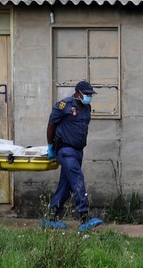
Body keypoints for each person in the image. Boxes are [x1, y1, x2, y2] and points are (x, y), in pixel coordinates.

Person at [42, 80, 105, 232]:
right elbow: (51, 125)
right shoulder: (65, 105)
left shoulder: (87, 108)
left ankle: (51, 217)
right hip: (65, 150)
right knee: (77, 179)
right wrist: (51, 146)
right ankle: (84, 217)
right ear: (78, 93)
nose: (89, 97)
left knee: (66, 185)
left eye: (91, 94)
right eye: (87, 94)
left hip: (78, 151)